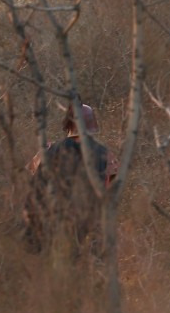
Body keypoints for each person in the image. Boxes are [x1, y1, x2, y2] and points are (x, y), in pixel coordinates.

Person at [22, 101, 118, 256]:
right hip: (87, 229)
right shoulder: (105, 154)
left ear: (68, 124)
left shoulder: (48, 150)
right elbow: (108, 190)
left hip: (51, 223)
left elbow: (28, 181)